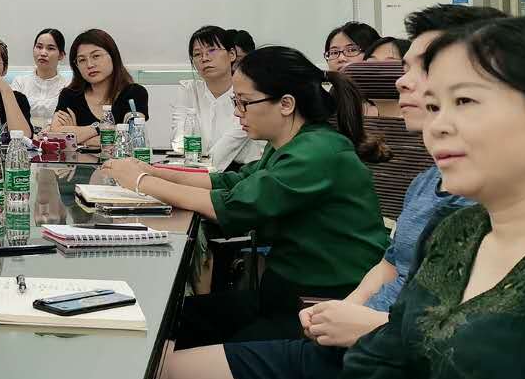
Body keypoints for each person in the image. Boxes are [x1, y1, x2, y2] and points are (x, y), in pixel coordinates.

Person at [145, 16, 525, 379]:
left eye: (465, 102)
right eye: (435, 106)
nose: (438, 125)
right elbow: (383, 364)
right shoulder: (458, 231)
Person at [100, 46, 389, 348]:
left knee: (174, 343)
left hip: (319, 307)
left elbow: (232, 205)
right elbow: (231, 181)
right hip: (283, 295)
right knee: (173, 320)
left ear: (286, 104)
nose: (237, 112)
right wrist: (152, 171)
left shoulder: (316, 153)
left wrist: (141, 182)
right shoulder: (293, 143)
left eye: (244, 102)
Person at [173, 25, 263, 173]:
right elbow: (179, 138)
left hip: (245, 172)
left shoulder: (249, 91)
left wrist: (194, 173)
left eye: (212, 50)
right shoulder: (188, 89)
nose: (205, 58)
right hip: (196, 167)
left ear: (232, 54)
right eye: (197, 54)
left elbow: (230, 142)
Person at [48, 29, 148, 145]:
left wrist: (78, 137)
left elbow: (133, 137)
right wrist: (98, 128)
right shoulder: (70, 95)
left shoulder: (134, 93)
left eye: (96, 56)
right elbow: (57, 136)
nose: (90, 65)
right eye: (82, 60)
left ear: (113, 55)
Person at [11, 28, 69, 129]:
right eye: (39, 47)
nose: (43, 53)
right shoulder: (19, 82)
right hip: (25, 135)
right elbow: (13, 115)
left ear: (61, 55)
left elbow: (67, 121)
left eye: (50, 48)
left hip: (55, 135)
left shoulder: (68, 86)